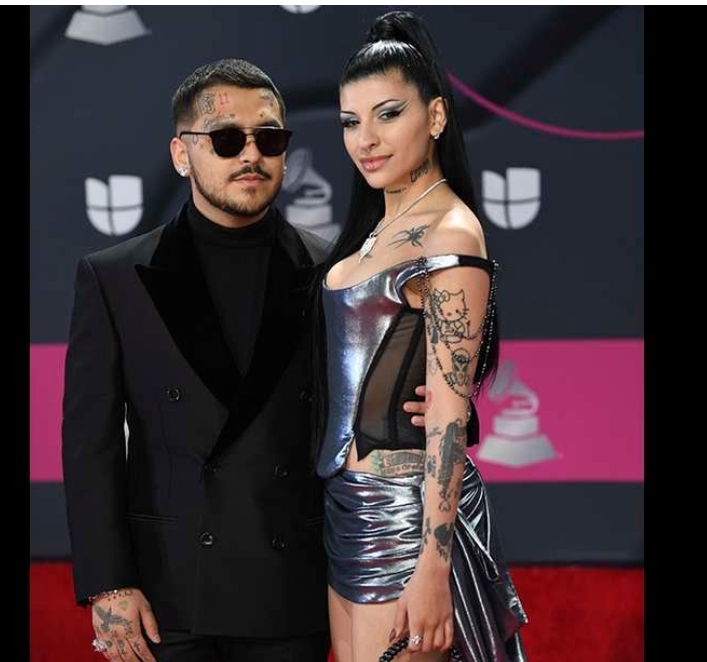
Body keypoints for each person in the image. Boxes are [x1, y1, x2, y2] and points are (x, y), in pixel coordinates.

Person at [61, 58, 430, 662]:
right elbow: (90, 446)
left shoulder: (335, 275)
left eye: (269, 139)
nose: (251, 155)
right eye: (228, 139)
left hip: (290, 589)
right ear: (182, 154)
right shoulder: (114, 278)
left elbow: (375, 408)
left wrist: (433, 409)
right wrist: (108, 583)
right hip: (168, 595)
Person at [312, 11, 530, 662]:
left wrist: (433, 564)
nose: (366, 139)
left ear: (434, 117)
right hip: (346, 508)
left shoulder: (450, 232)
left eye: (388, 114)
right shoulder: (373, 230)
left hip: (410, 521)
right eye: (350, 121)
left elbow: (447, 415)